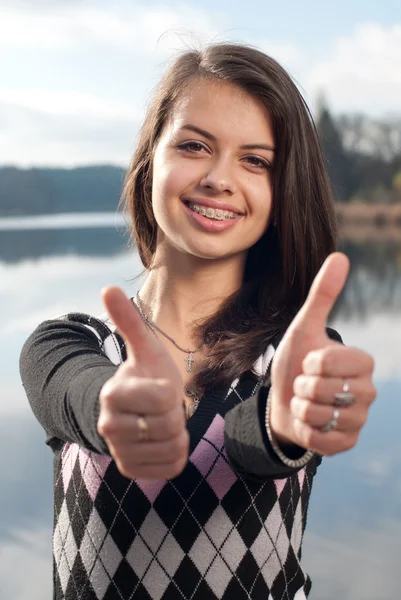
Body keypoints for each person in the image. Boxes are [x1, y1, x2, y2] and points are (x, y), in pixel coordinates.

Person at [20, 42, 376, 600]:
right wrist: (115, 406)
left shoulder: (298, 356)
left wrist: (280, 422)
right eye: (194, 146)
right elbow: (80, 393)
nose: (219, 178)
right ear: (149, 160)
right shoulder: (68, 343)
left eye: (255, 160)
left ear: (281, 194)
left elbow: (255, 441)